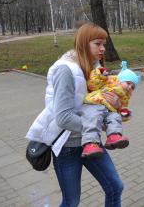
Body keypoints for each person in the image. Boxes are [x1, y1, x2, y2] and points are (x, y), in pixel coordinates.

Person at [26, 22, 124, 206]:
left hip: (90, 142)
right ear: (83, 43)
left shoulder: (95, 70)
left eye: (104, 44)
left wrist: (115, 104)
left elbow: (97, 104)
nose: (103, 49)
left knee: (115, 187)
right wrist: (96, 127)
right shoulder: (65, 70)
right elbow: (63, 117)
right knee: (71, 201)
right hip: (68, 147)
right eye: (98, 44)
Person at [81, 61, 140, 158]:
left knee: (115, 117)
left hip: (109, 111)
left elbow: (122, 109)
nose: (129, 87)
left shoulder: (125, 97)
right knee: (93, 121)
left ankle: (113, 136)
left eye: (132, 87)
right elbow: (92, 84)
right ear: (121, 80)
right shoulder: (110, 81)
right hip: (95, 104)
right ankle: (90, 144)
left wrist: (123, 111)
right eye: (128, 83)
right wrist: (100, 74)